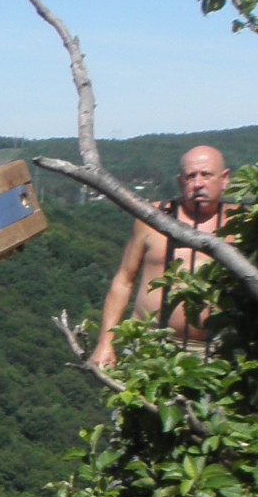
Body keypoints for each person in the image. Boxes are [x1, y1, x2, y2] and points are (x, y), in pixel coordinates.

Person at [93, 145, 230, 368]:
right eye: (190, 176)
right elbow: (124, 280)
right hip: (148, 344)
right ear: (179, 181)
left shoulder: (240, 225)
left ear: (224, 179)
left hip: (211, 351)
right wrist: (105, 342)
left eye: (206, 175)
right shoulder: (153, 218)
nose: (198, 184)